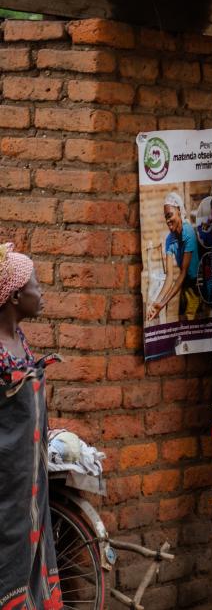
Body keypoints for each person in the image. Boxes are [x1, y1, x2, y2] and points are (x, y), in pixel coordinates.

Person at [0, 244, 63, 610]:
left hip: (28, 482)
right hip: (8, 483)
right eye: (36, 285)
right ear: (15, 296)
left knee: (31, 542)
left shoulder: (19, 342)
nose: (41, 293)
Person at [148, 192, 202, 321]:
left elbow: (182, 273)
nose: (167, 220)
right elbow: (170, 277)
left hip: (198, 286)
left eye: (170, 215)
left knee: (191, 326)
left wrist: (162, 303)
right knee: (182, 323)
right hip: (185, 286)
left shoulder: (188, 232)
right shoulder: (169, 240)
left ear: (179, 211)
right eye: (165, 217)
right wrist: (157, 301)